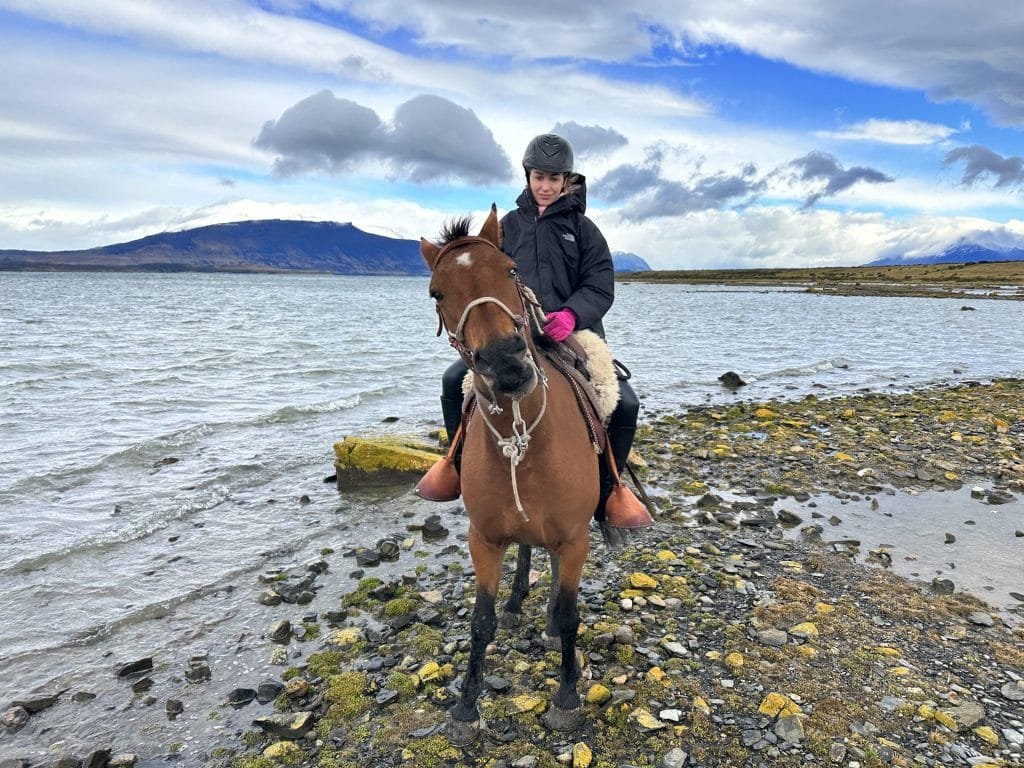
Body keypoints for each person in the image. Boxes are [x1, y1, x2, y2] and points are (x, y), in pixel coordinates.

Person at [419, 133, 649, 529]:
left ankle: (608, 491)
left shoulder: (584, 229)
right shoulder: (507, 227)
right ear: (528, 177)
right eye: (539, 177)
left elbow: (600, 284)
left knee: (625, 403)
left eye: (554, 179)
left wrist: (572, 315)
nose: (546, 186)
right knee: (453, 379)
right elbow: (483, 280)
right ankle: (457, 466)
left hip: (573, 330)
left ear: (566, 182)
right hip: (517, 330)